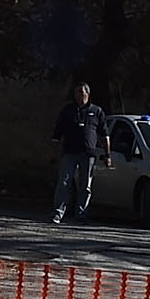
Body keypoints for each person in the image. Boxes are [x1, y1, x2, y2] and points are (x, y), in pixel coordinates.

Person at [50, 82, 108, 224]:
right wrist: (53, 150)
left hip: (88, 154)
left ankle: (81, 215)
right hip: (69, 152)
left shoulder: (97, 111)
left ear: (87, 94)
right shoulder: (68, 110)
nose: (78, 95)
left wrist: (108, 154)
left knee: (85, 185)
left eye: (81, 92)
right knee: (64, 182)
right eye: (76, 93)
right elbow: (57, 132)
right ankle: (58, 213)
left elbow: (104, 134)